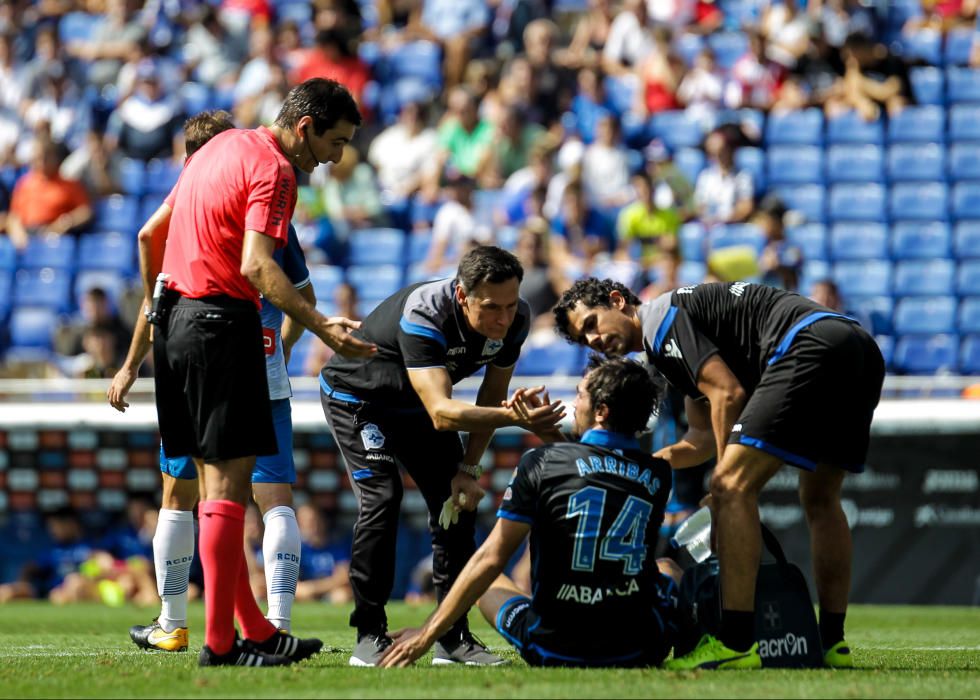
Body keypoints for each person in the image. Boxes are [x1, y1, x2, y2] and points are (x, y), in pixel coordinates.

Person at [125, 78, 375, 668]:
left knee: (210, 497)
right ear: (306, 127)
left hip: (177, 324)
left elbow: (152, 233)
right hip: (221, 324)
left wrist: (158, 308)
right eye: (335, 142)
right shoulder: (276, 170)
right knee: (228, 495)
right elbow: (257, 265)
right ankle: (221, 643)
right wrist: (319, 326)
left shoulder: (215, 149)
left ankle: (255, 632)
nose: (337, 157)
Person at [553, 278, 885, 670]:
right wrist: (651, 462)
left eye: (592, 323)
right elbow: (701, 438)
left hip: (807, 344)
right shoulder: (671, 354)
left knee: (729, 489)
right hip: (855, 348)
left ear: (617, 301)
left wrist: (726, 484)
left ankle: (736, 643)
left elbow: (728, 395)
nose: (592, 339)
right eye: (582, 337)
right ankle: (833, 643)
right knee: (820, 500)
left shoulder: (661, 319)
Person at [108, 110, 318, 653]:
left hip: (191, 346)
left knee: (185, 497)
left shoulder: (190, 208)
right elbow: (301, 292)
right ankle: (273, 622)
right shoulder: (266, 205)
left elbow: (148, 242)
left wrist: (135, 358)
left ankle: (176, 620)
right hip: (248, 360)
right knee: (272, 502)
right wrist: (284, 350)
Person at [320, 245, 564, 666]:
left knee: (458, 504)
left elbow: (492, 392)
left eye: (510, 306)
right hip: (359, 399)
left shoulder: (517, 318)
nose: (503, 320)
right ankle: (369, 635)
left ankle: (453, 640)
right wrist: (518, 419)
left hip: (416, 408)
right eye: (491, 308)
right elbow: (442, 411)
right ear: (462, 295)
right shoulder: (425, 313)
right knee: (382, 498)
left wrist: (468, 468)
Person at [379, 356, 679, 668]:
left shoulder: (541, 461)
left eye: (580, 395)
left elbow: (493, 557)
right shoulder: (658, 473)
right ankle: (692, 650)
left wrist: (426, 634)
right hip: (637, 649)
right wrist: (551, 436)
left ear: (601, 411)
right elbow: (600, 473)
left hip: (554, 646)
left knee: (487, 582)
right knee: (668, 568)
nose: (574, 404)